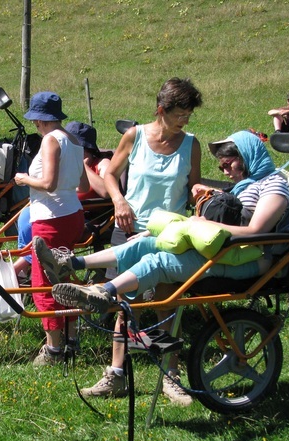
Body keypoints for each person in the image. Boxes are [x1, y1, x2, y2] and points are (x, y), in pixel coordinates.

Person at [34, 130, 289, 400]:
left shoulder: (272, 184)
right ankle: (70, 264)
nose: (225, 171)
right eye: (221, 166)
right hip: (210, 248)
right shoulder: (242, 184)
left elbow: (256, 230)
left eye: (229, 164)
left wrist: (201, 222)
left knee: (161, 284)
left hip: (244, 259)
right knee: (143, 249)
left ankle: (169, 372)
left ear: (247, 156)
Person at [43, 77, 203, 403]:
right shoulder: (136, 136)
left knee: (165, 305)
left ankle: (170, 376)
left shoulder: (191, 144)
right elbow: (110, 174)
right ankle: (116, 376)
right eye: (179, 115)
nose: (184, 121)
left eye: (188, 115)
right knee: (122, 305)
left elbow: (193, 188)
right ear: (161, 110)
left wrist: (201, 197)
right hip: (129, 227)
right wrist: (119, 201)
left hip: (167, 234)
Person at [13, 92, 89, 366]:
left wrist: (24, 178)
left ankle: (54, 348)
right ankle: (71, 338)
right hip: (72, 216)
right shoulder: (75, 140)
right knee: (65, 275)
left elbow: (48, 184)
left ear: (38, 119)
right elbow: (85, 187)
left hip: (50, 219)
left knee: (43, 282)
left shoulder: (50, 140)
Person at [12, 121, 113, 277]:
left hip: (89, 217)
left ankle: (20, 268)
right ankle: (27, 266)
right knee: (26, 216)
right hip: (61, 210)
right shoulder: (62, 158)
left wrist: (79, 164)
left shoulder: (101, 163)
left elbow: (106, 191)